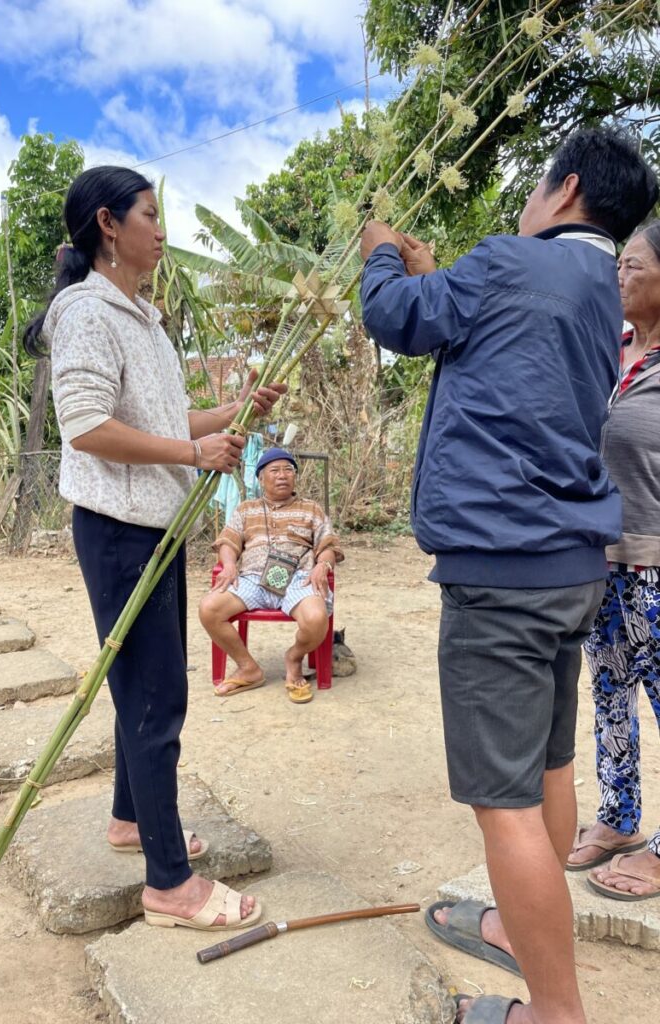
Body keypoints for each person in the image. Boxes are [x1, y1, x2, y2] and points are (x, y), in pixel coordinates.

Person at [359, 128, 658, 1024]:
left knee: (505, 807)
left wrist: (382, 258)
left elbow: (396, 319)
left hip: (502, 569)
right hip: (567, 567)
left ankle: (554, 1013)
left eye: (535, 184)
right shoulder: (597, 290)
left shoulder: (512, 264)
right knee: (549, 767)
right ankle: (514, 926)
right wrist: (435, 270)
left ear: (563, 189)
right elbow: (493, 325)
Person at [23, 165, 285, 932]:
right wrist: (186, 454)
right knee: (155, 698)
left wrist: (236, 411)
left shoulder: (142, 317)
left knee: (143, 686)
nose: (162, 230)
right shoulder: (85, 313)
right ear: (109, 225)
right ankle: (170, 883)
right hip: (117, 532)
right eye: (149, 213)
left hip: (155, 528)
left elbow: (173, 418)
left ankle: (130, 822)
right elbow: (87, 428)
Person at [565, 220, 660, 902]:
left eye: (631, 265)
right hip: (605, 558)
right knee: (609, 695)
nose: (617, 276)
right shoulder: (613, 348)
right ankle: (619, 817)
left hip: (658, 563)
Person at [199, 447, 343, 704]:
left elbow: (328, 545)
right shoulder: (246, 509)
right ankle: (248, 668)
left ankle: (295, 657)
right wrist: (229, 565)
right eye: (274, 471)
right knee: (209, 608)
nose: (282, 476)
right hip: (253, 578)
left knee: (316, 617)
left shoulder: (311, 509)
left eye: (288, 470)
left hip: (299, 578)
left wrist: (323, 565)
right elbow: (227, 542)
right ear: (261, 479)